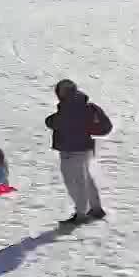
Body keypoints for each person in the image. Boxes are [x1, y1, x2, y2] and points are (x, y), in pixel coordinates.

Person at [46, 79, 111, 226]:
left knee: (75, 182)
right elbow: (105, 127)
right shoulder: (85, 106)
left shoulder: (69, 107)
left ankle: (81, 214)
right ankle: (95, 208)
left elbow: (52, 122)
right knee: (85, 178)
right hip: (85, 148)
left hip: (71, 150)